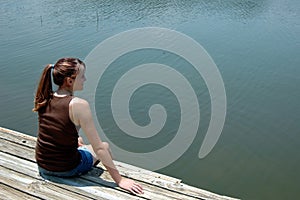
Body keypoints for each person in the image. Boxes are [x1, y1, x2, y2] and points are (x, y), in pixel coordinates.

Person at [33, 57, 143, 195]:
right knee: (105, 147)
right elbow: (99, 148)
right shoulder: (78, 105)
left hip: (43, 165)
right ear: (69, 81)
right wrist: (120, 181)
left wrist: (75, 138)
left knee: (82, 143)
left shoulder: (44, 97)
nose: (85, 79)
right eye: (82, 76)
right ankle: (113, 174)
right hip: (65, 169)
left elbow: (55, 129)